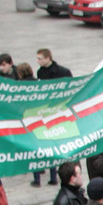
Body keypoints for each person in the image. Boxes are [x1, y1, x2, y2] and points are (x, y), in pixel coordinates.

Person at [33, 49, 72, 188]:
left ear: (48, 58)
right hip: (46, 111)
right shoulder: (40, 72)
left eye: (40, 59)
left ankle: (58, 172)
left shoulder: (63, 72)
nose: (38, 61)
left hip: (59, 111)